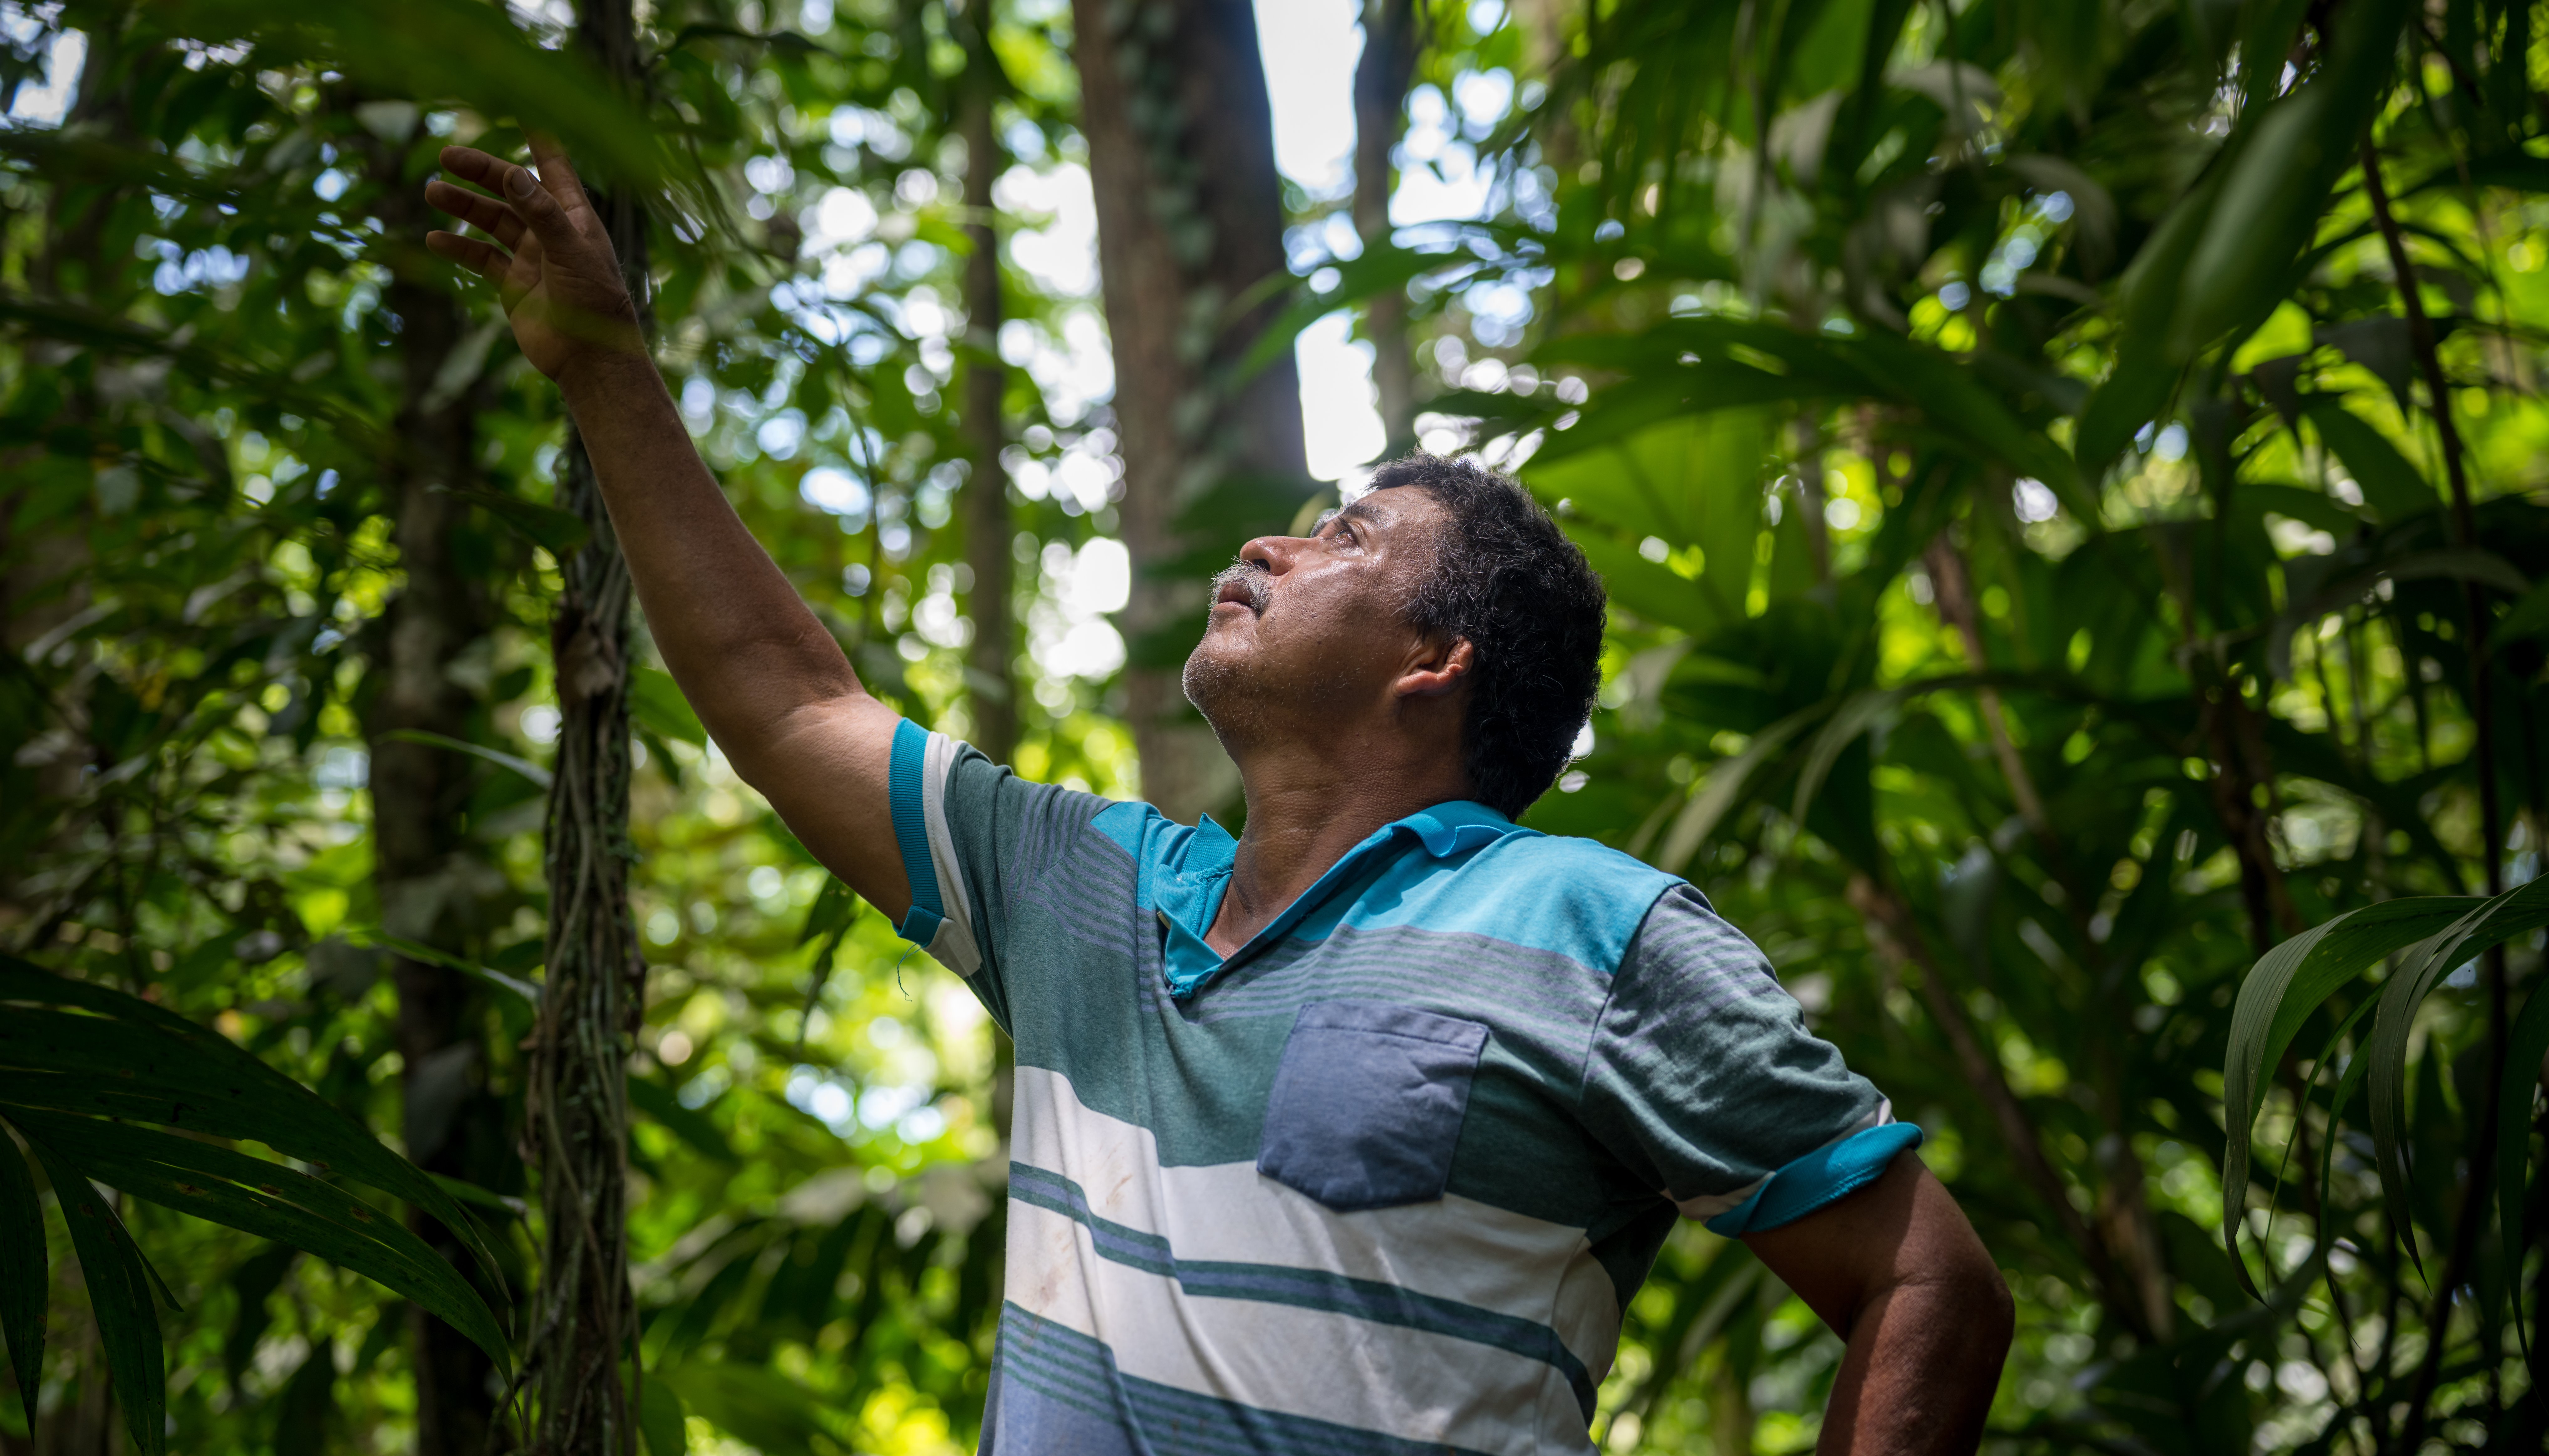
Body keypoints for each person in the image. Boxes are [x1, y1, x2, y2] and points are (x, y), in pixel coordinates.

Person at [425, 137, 2013, 1456]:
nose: (1269, 545)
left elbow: (1929, 1283)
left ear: (1436, 660)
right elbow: (787, 700)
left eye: (1345, 538)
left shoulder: (1592, 926)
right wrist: (608, 366)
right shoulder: (1080, 888)